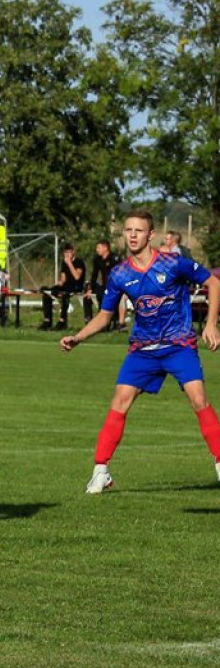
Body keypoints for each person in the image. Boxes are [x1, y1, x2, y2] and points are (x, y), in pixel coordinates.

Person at [61, 209, 220, 493]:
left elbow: (214, 282)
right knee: (119, 401)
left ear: (150, 235)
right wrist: (79, 337)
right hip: (143, 349)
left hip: (178, 345)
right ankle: (100, 472)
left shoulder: (173, 263)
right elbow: (105, 315)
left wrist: (210, 325)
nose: (132, 235)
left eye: (138, 230)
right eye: (128, 230)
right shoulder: (120, 274)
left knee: (198, 399)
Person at [39, 243, 85, 330]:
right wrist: (57, 285)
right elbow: (63, 278)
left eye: (69, 253)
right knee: (47, 293)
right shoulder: (64, 263)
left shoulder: (79, 262)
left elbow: (77, 277)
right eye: (65, 253)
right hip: (66, 285)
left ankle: (62, 321)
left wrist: (70, 264)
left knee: (64, 294)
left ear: (73, 252)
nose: (67, 255)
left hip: (76, 286)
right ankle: (47, 320)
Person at [84, 239, 125, 328]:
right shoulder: (97, 259)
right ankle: (88, 319)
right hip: (104, 286)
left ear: (105, 248)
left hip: (115, 286)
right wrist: (90, 288)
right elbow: (94, 275)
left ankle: (108, 321)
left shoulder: (115, 258)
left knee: (106, 296)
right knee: (87, 293)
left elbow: (119, 274)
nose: (97, 250)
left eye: (98, 247)